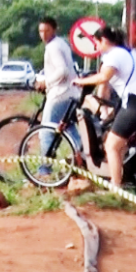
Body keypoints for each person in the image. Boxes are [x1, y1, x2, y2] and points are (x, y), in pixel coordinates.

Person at [73, 26, 136, 189]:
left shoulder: (114, 55)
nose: (96, 47)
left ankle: (116, 187)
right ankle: (125, 178)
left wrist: (80, 81)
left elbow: (104, 77)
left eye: (96, 43)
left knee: (111, 145)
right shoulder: (130, 52)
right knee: (121, 143)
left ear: (104, 41)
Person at [32, 16, 83, 166]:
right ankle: (84, 160)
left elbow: (62, 71)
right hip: (72, 93)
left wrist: (45, 82)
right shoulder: (62, 43)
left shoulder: (52, 47)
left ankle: (44, 170)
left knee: (46, 131)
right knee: (71, 130)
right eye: (41, 31)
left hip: (60, 94)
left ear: (55, 30)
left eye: (47, 30)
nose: (43, 34)